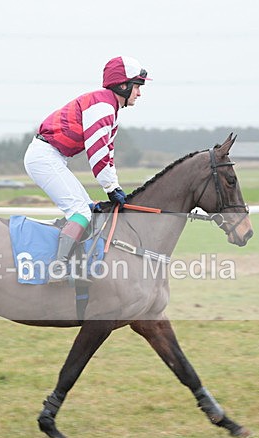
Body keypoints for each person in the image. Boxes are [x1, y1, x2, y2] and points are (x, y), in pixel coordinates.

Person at [24, 56, 150, 280]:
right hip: (44, 157)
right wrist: (111, 188)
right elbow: (98, 150)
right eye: (137, 86)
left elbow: (108, 152)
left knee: (89, 209)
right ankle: (58, 269)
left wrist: (115, 186)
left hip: (53, 157)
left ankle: (76, 263)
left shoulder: (110, 108)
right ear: (124, 85)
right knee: (80, 212)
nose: (139, 93)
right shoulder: (102, 105)